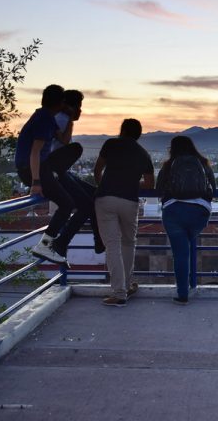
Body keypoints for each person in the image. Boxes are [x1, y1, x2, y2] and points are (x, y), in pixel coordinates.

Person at [15, 84, 84, 265]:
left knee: (75, 148)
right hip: (31, 170)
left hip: (40, 168)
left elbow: (64, 140)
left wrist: (69, 118)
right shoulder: (44, 120)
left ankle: (47, 245)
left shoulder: (46, 117)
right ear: (60, 102)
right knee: (67, 204)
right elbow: (35, 151)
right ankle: (45, 245)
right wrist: (36, 182)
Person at [94, 118, 154, 307]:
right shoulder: (143, 154)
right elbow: (150, 184)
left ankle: (119, 293)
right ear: (139, 134)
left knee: (112, 245)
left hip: (105, 199)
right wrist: (131, 183)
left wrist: (103, 184)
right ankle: (127, 286)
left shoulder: (110, 144)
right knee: (129, 243)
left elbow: (97, 169)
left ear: (122, 130)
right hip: (129, 201)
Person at [156, 136, 216, 305]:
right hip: (199, 214)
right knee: (189, 246)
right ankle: (192, 284)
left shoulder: (168, 165)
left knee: (181, 254)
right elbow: (214, 189)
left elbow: (158, 188)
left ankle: (183, 294)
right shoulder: (203, 163)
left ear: (172, 149)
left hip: (174, 213)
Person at [50, 89, 105, 255]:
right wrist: (71, 122)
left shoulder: (62, 118)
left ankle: (98, 240)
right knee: (87, 205)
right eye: (79, 107)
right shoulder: (61, 119)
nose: (80, 111)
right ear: (71, 106)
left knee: (95, 194)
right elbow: (64, 142)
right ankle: (61, 242)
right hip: (54, 173)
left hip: (61, 171)